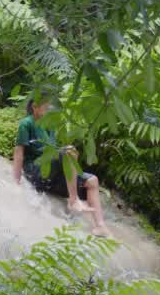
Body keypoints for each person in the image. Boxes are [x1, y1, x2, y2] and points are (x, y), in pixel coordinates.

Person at [12, 96, 112, 237]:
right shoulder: (26, 123)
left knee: (92, 181)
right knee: (69, 151)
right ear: (35, 107)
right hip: (35, 172)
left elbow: (58, 159)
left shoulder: (50, 126)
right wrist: (15, 182)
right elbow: (19, 153)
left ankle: (100, 226)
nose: (49, 111)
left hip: (51, 176)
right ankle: (73, 200)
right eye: (46, 108)